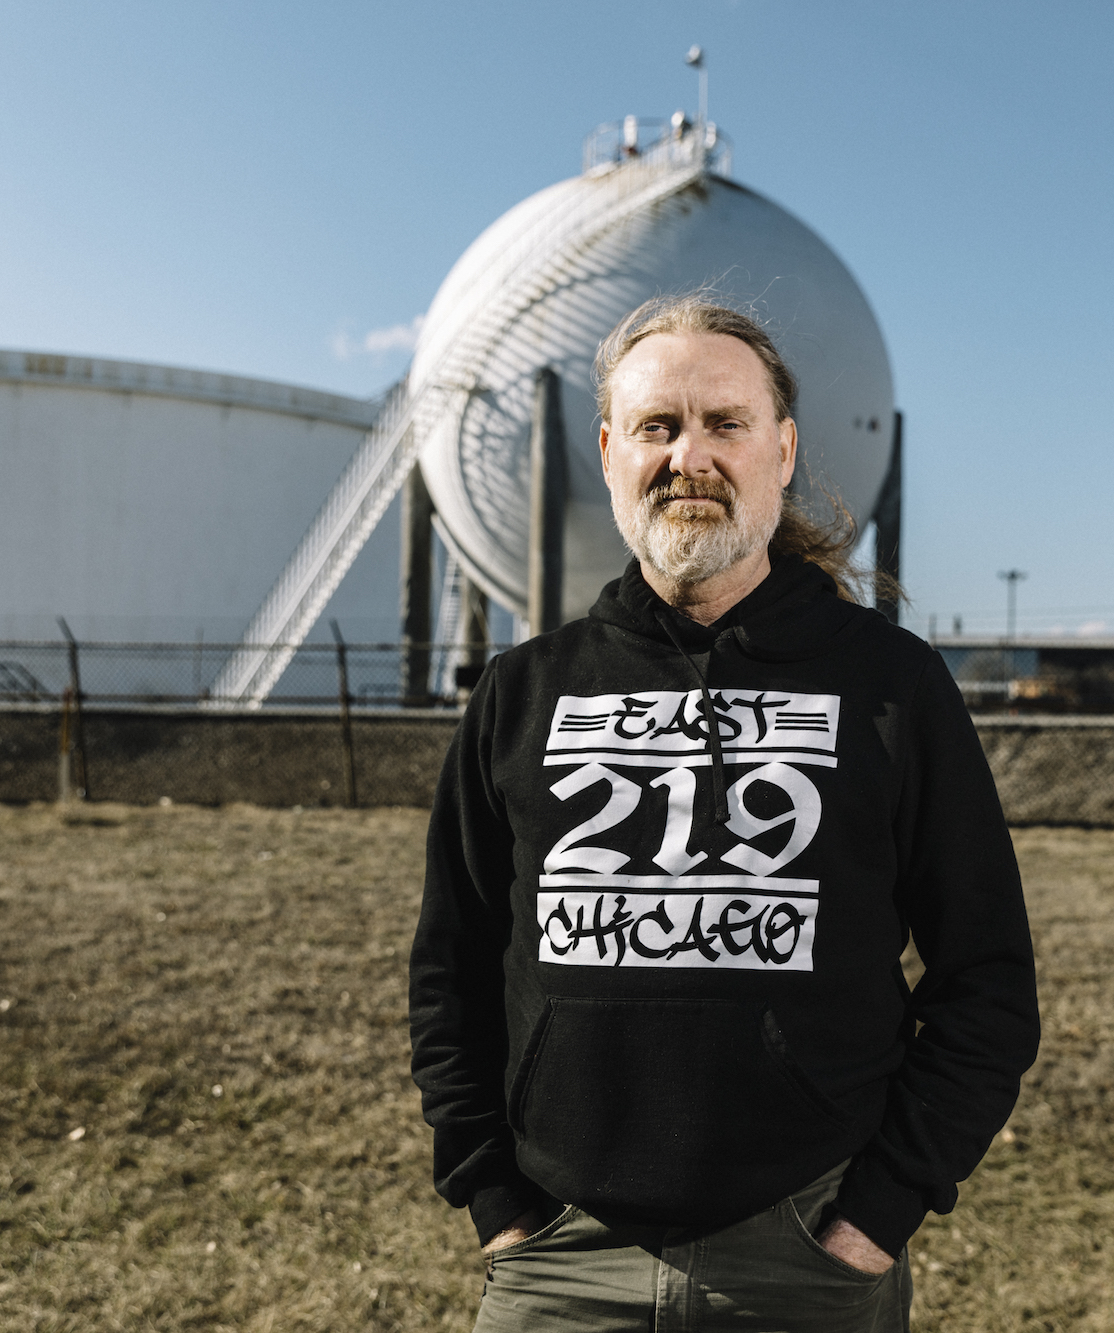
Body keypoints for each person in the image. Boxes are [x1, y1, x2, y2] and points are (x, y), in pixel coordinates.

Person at [409, 295, 1039, 1332]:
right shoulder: (524, 694)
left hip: (801, 1257)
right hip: (559, 1263)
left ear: (781, 450)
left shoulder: (888, 687)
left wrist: (871, 1218)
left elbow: (987, 986)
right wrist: (495, 1202)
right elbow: (451, 972)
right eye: (657, 426)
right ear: (609, 450)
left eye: (724, 423)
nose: (687, 455)